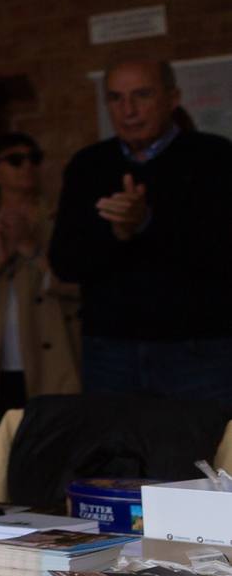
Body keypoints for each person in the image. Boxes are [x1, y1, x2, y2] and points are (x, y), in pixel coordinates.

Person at [50, 59, 232, 401]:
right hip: (110, 350)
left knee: (206, 453)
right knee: (117, 451)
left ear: (172, 98)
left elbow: (221, 253)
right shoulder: (88, 165)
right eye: (116, 98)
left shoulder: (215, 158)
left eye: (142, 95)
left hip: (199, 349)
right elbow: (64, 261)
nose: (128, 110)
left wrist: (147, 223)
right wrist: (117, 234)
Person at [0, 132, 81, 427]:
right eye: (15, 160)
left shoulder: (61, 215)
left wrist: (32, 250)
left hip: (52, 353)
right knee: (7, 443)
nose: (27, 167)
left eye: (34, 158)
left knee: (55, 439)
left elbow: (79, 284)